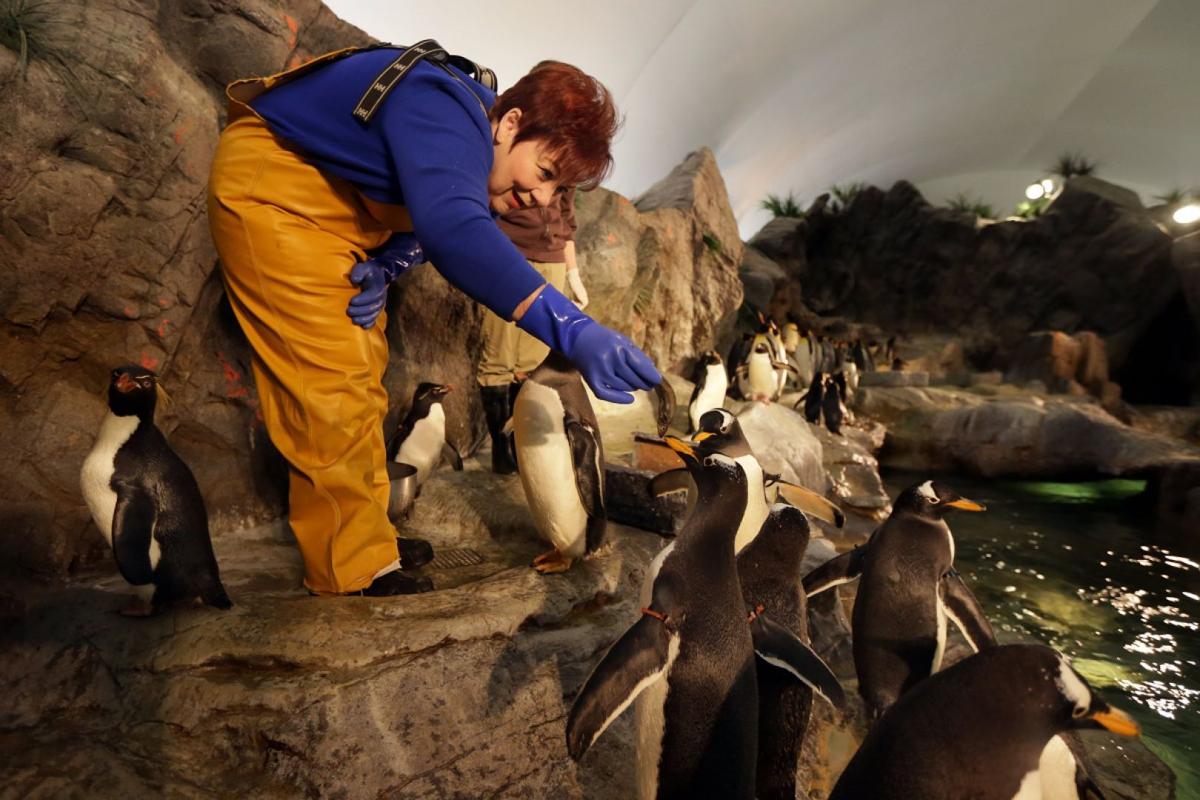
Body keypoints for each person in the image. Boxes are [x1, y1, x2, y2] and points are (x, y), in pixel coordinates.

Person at [206, 44, 660, 598]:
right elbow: (453, 227)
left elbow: (426, 211)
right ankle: (350, 567)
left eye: (557, 190)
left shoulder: (471, 136)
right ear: (511, 122)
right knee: (328, 386)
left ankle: (367, 536)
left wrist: (389, 261)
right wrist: (571, 327)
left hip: (337, 216)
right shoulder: (442, 103)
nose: (541, 197)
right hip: (278, 195)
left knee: (360, 381)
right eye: (544, 171)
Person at [478, 185, 588, 474]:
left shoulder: (571, 161)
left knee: (533, 364)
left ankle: (519, 449)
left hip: (552, 262)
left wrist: (572, 272)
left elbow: (566, 220)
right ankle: (501, 453)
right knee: (497, 359)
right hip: (507, 253)